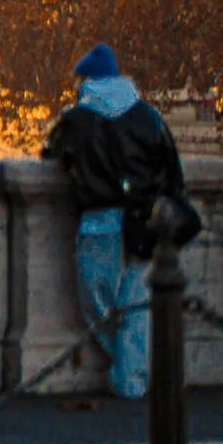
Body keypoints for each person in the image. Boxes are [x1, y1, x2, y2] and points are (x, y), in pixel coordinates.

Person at [40, 43, 188, 399]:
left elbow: (52, 153)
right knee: (135, 305)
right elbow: (172, 169)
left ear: (85, 80)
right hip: (145, 219)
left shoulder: (76, 119)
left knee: (96, 300)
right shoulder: (148, 116)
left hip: (99, 218)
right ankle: (131, 378)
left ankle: (127, 369)